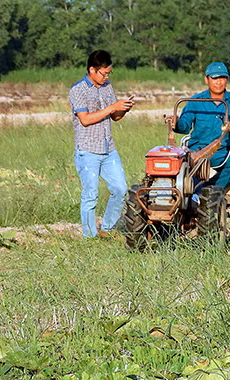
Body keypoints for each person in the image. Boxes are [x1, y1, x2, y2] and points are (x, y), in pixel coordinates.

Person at [69, 49, 134, 238]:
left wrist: (123, 108)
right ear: (92, 70)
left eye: (108, 73)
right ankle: (89, 236)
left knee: (120, 189)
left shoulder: (107, 87)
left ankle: (107, 229)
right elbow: (85, 119)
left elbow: (115, 117)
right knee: (91, 195)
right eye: (104, 73)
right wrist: (112, 107)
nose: (106, 77)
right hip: (87, 149)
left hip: (108, 149)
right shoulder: (77, 90)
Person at [173, 62, 230, 196]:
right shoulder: (195, 101)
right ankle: (191, 194)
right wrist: (176, 122)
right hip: (197, 152)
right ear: (207, 79)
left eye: (222, 78)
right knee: (185, 173)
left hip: (222, 152)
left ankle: (208, 190)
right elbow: (184, 127)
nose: (218, 82)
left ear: (227, 80)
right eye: (215, 78)